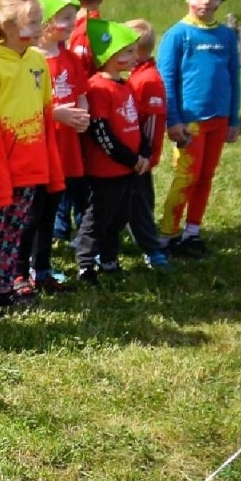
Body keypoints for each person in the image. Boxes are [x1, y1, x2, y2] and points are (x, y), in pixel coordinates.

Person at [0, 0, 62, 316]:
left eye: (40, 20)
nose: (40, 27)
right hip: (3, 167)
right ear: (8, 25)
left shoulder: (38, 62)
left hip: (31, 165)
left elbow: (47, 116)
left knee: (15, 229)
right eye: (33, 21)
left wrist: (51, 167)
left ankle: (6, 288)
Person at [157, 0, 239, 257]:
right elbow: (166, 81)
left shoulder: (227, 36)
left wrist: (233, 119)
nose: (207, 1)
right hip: (189, 122)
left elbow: (234, 79)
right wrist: (173, 119)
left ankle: (193, 231)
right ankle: (167, 234)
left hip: (219, 120)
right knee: (186, 177)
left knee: (206, 177)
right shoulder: (177, 36)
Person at [25, 0, 90, 293]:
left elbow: (80, 93)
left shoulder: (70, 58)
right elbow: (24, 108)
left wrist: (82, 115)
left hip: (64, 147)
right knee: (32, 213)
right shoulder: (31, 59)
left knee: (50, 211)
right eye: (63, 17)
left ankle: (43, 268)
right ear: (46, 19)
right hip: (38, 149)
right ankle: (21, 273)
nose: (69, 23)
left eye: (72, 16)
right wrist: (58, 114)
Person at [77, 18, 148, 285]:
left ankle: (109, 259)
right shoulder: (97, 88)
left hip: (127, 168)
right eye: (127, 52)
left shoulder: (125, 84)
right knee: (98, 217)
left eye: (133, 50)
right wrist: (130, 159)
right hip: (106, 170)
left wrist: (142, 152)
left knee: (119, 216)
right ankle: (85, 264)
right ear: (109, 56)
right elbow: (102, 135)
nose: (134, 57)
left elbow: (134, 124)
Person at [122, 20, 170, 270]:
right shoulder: (135, 75)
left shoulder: (148, 80)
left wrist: (144, 154)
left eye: (127, 50)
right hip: (131, 156)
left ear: (140, 52)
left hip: (139, 158)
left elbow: (151, 121)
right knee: (133, 199)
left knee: (139, 203)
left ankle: (153, 250)